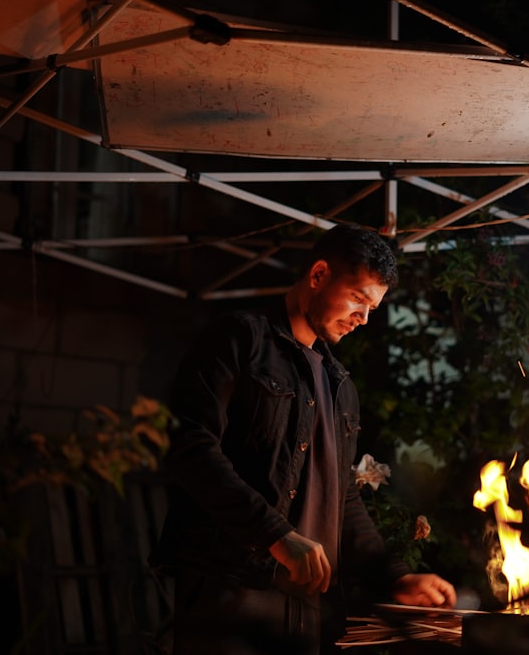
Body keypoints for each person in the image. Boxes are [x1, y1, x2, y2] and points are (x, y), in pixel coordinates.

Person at [151, 223, 457, 655]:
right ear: (318, 275)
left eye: (373, 307)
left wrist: (392, 575)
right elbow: (190, 448)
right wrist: (276, 534)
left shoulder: (339, 385)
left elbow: (343, 497)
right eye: (358, 298)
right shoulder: (240, 339)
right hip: (231, 589)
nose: (363, 318)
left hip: (307, 606)